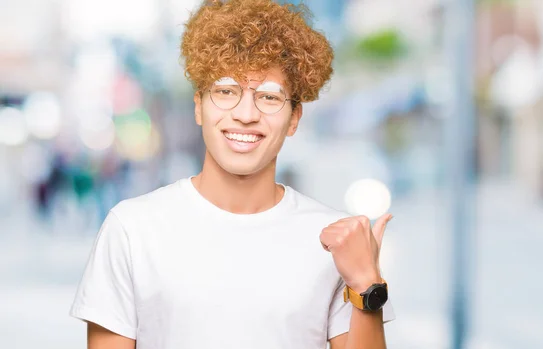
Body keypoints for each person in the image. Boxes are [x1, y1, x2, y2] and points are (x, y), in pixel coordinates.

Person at [70, 0, 396, 348]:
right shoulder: (131, 230)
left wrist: (366, 284)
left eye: (269, 97)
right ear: (199, 106)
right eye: (226, 92)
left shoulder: (335, 241)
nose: (245, 113)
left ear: (295, 118)